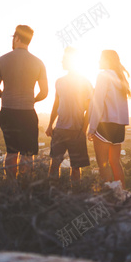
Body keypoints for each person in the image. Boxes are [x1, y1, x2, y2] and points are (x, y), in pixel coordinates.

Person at [0, 25, 48, 178]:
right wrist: (32, 100)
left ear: (16, 38)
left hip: (8, 111)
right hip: (28, 112)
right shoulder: (38, 63)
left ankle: (10, 186)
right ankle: (26, 185)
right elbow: (45, 92)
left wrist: (7, 96)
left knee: (11, 152)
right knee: (28, 154)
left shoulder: (2, 60)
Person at [46, 47, 93, 182]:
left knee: (76, 167)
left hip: (76, 131)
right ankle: (53, 195)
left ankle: (76, 196)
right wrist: (50, 125)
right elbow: (56, 105)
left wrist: (83, 129)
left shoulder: (85, 82)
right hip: (60, 129)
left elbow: (90, 108)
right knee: (54, 164)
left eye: (64, 59)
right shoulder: (59, 81)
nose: (61, 61)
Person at [87, 50, 130, 188]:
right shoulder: (121, 78)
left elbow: (98, 102)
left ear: (106, 60)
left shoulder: (103, 75)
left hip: (104, 124)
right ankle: (122, 194)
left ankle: (106, 196)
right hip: (119, 127)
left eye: (100, 59)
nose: (98, 61)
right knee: (115, 163)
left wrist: (91, 127)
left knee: (103, 164)